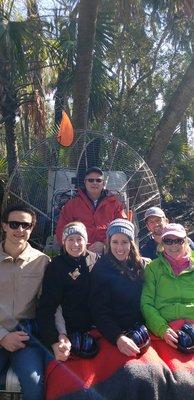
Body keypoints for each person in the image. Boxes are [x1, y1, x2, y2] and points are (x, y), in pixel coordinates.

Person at [88, 219, 169, 400]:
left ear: (131, 243)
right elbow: (99, 311)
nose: (120, 247)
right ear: (108, 243)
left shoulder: (140, 265)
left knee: (158, 374)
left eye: (124, 242)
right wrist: (118, 337)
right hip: (113, 333)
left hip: (141, 329)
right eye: (115, 242)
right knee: (132, 375)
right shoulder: (101, 270)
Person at [0, 203, 50, 400]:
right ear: (4, 226)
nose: (19, 230)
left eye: (25, 225)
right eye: (14, 224)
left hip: (26, 338)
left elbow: (49, 304)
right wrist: (3, 336)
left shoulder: (42, 262)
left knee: (35, 386)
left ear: (31, 228)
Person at [141, 223, 194, 399]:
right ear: (162, 243)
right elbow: (146, 304)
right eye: (168, 241)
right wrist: (162, 329)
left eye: (177, 240)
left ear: (185, 241)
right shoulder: (153, 268)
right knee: (170, 378)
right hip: (166, 329)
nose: (173, 245)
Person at [37, 221, 98, 362]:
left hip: (96, 327)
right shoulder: (56, 267)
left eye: (79, 239)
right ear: (63, 242)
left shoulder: (95, 260)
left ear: (86, 240)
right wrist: (55, 338)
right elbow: (47, 307)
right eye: (70, 239)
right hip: (68, 331)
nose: (75, 244)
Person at [55, 166, 128, 254]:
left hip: (109, 254)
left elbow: (123, 229)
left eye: (98, 180)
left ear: (103, 184)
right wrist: (81, 246)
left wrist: (105, 245)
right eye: (91, 180)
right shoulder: (72, 205)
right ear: (85, 182)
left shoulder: (115, 204)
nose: (94, 183)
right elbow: (61, 230)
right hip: (79, 253)